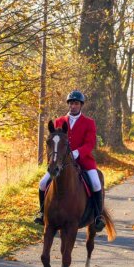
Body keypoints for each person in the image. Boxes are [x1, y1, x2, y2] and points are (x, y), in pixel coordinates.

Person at [34, 90, 105, 232]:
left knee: (96, 184)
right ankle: (42, 213)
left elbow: (90, 143)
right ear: (68, 104)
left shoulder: (89, 122)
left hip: (84, 161)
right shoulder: (59, 121)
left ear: (81, 105)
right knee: (42, 183)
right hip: (61, 162)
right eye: (71, 103)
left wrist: (76, 153)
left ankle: (98, 216)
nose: (73, 106)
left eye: (76, 103)